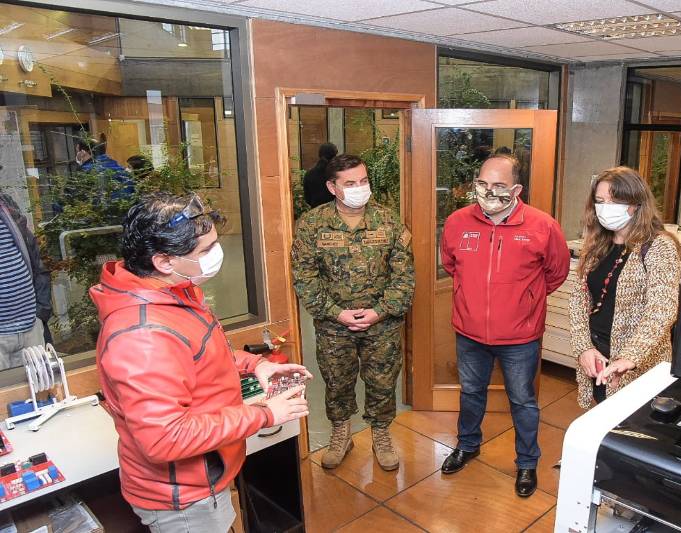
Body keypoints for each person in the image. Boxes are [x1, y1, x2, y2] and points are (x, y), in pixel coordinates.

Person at [91, 192, 311, 531]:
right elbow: (165, 439)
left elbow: (200, 352)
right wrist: (265, 414)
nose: (216, 255)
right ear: (164, 261)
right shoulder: (142, 335)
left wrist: (257, 366)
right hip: (183, 498)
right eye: (205, 250)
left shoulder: (173, 289)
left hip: (206, 474)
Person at [439, 154, 570, 497]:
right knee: (471, 393)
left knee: (523, 401)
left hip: (519, 338)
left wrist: (522, 302)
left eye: (498, 186)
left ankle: (526, 463)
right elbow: (452, 264)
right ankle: (467, 445)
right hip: (469, 333)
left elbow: (556, 273)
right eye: (482, 184)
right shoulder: (456, 222)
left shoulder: (543, 226)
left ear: (516, 188)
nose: (488, 192)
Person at [291, 154, 415, 471]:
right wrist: (335, 313)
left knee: (383, 383)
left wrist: (379, 311)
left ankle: (381, 435)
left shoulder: (389, 222)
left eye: (363, 181)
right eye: (350, 183)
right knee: (337, 383)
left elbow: (404, 278)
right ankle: (341, 434)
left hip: (382, 326)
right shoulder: (311, 225)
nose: (360, 188)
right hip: (334, 328)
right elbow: (304, 278)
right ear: (332, 187)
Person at [568, 166, 681, 408]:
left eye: (615, 200)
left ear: (637, 203)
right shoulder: (597, 243)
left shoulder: (659, 247)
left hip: (638, 364)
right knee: (598, 426)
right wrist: (584, 348)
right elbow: (579, 300)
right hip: (597, 356)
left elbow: (662, 310)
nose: (606, 208)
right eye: (600, 201)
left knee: (632, 436)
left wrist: (630, 356)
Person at [0, 192, 52, 369]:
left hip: (31, 326)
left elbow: (35, 259)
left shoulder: (5, 204)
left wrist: (40, 312)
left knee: (41, 392)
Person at [302, 142, 338, 208]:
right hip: (334, 211)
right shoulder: (336, 173)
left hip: (316, 212)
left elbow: (308, 199)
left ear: (319, 154)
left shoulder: (309, 173)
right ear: (335, 155)